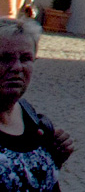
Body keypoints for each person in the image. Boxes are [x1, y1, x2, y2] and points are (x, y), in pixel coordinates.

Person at [0, 19, 70, 190]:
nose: (17, 67)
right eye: (4, 58)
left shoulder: (32, 119)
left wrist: (55, 158)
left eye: (25, 58)